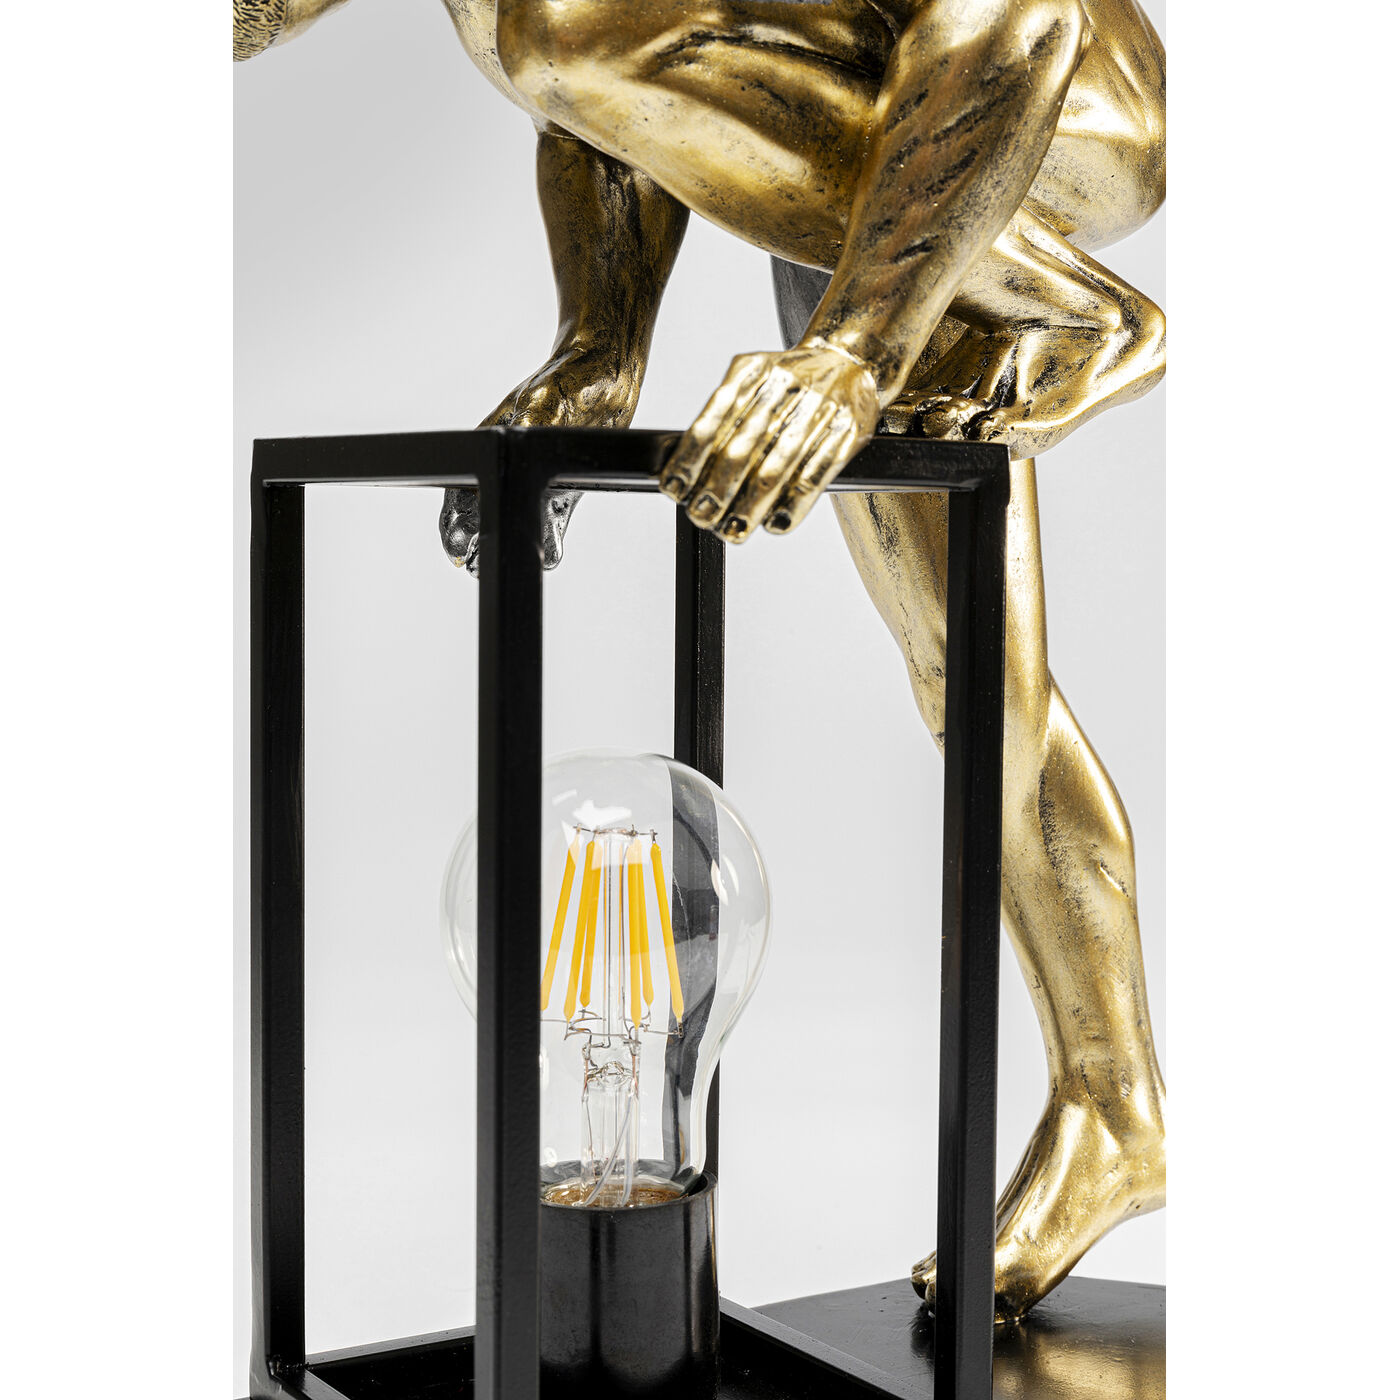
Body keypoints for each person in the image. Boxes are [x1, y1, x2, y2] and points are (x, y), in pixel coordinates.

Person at [236, 0, 1167, 1321]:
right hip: (871, 155)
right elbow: (631, 101)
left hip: (1042, 88)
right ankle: (1117, 1105)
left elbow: (1006, 17)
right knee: (970, 679)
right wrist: (600, 339)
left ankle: (1084, 312)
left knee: (554, 32)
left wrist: (849, 355)